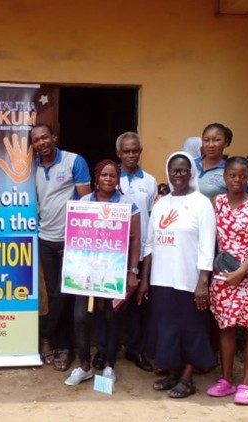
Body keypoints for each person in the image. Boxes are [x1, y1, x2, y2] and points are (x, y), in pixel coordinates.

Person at [141, 151, 216, 399]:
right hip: (161, 279)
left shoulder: (201, 203)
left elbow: (207, 245)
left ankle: (187, 377)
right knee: (167, 329)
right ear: (168, 173)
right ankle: (173, 373)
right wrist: (144, 280)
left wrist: (203, 282)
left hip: (189, 279)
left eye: (184, 170)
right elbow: (149, 244)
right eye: (174, 170)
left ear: (191, 172)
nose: (179, 174)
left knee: (191, 329)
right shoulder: (161, 204)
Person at [64, 160, 141, 386]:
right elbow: (74, 234)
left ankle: (109, 366)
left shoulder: (127, 204)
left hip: (113, 272)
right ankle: (85, 366)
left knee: (111, 317)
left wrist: (132, 271)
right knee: (81, 316)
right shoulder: (84, 202)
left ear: (118, 179)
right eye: (104, 175)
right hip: (86, 272)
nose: (108, 179)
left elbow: (135, 239)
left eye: (113, 175)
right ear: (96, 178)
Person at [206, 156, 248, 405]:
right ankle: (225, 380)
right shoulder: (216, 203)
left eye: (242, 175)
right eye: (232, 175)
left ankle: (245, 384)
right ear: (225, 177)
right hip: (223, 275)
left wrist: (242, 271)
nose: (237, 180)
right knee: (226, 327)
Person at [32, 123, 91, 372]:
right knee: (53, 295)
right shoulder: (30, 166)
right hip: (44, 238)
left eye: (45, 137)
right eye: (36, 140)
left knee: (65, 294)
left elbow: (86, 201)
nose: (42, 142)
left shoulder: (74, 161)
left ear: (54, 137)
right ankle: (57, 343)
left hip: (71, 240)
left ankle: (53, 342)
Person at [115, 131, 156, 372]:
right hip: (112, 252)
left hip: (138, 253)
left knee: (138, 303)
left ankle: (135, 349)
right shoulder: (109, 177)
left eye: (135, 150)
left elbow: (151, 219)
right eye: (126, 151)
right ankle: (105, 349)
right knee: (108, 304)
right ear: (118, 153)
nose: (131, 155)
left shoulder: (149, 181)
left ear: (140, 152)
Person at [196, 123, 233, 197]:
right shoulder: (191, 164)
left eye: (217, 140)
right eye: (206, 140)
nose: (211, 145)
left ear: (226, 143)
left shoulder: (231, 170)